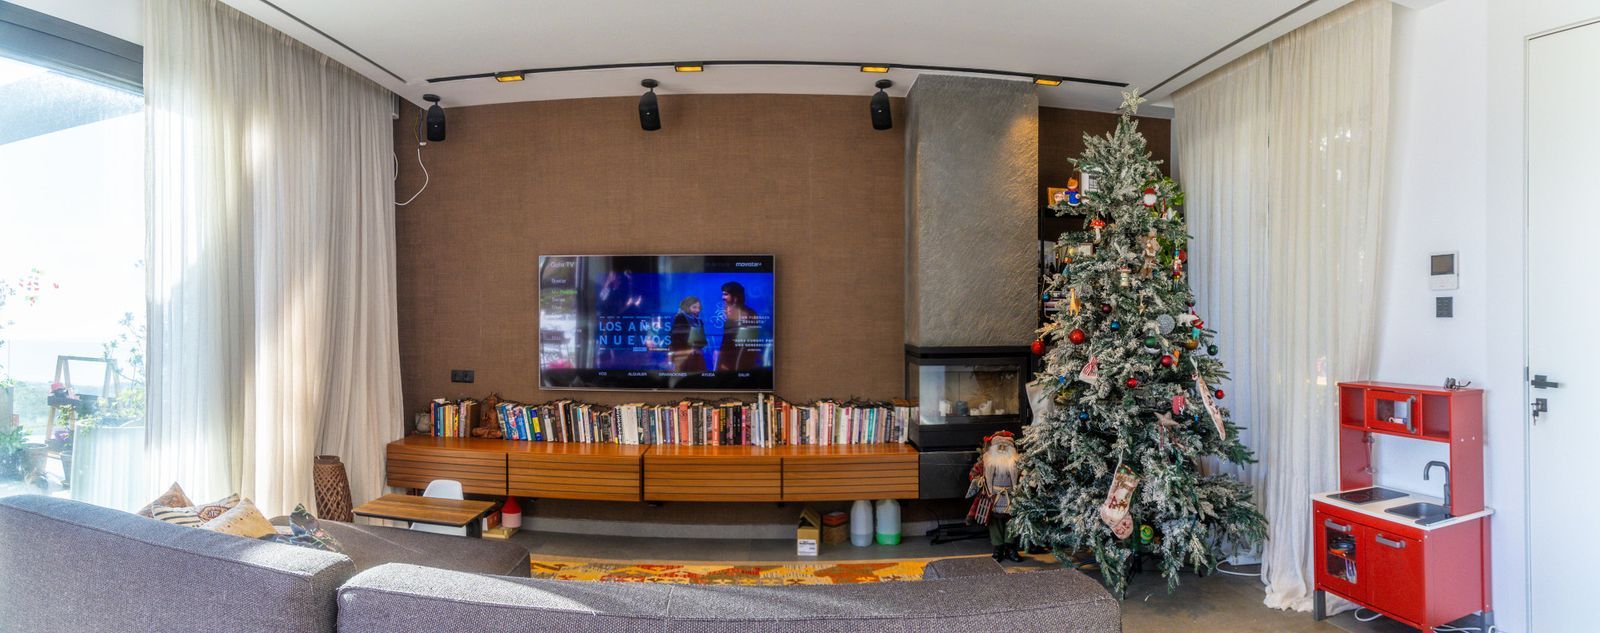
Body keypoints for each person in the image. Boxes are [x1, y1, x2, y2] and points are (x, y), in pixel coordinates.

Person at [967, 431, 1024, 562]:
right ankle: (998, 548)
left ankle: (1010, 548)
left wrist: (1024, 478)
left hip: (1011, 496)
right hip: (992, 497)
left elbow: (1024, 474)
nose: (1002, 448)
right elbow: (973, 473)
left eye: (1006, 446)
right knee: (994, 522)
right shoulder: (986, 460)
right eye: (999, 446)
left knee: (1012, 521)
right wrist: (979, 480)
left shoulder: (1017, 461)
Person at [716, 281, 763, 371]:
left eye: (726, 294)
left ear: (735, 296)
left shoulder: (747, 313)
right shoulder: (729, 311)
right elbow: (726, 339)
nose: (723, 298)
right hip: (728, 360)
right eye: (723, 294)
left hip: (739, 361)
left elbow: (746, 344)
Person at [668, 296, 707, 372]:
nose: (698, 310)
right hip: (683, 356)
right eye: (694, 307)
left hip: (697, 357)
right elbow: (676, 339)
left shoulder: (699, 321)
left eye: (699, 307)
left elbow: (702, 341)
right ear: (687, 307)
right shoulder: (680, 318)